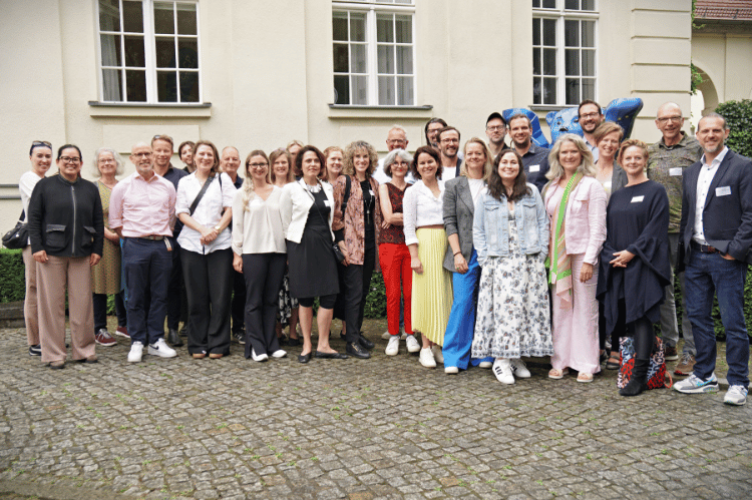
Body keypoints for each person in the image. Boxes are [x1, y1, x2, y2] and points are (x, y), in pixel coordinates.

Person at [674, 113, 752, 406]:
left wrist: (735, 250)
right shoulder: (692, 171)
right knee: (698, 319)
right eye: (705, 131)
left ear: (726, 133)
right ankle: (704, 376)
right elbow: (688, 215)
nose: (710, 135)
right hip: (695, 256)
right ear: (697, 134)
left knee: (733, 322)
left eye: (715, 130)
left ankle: (738, 382)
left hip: (726, 257)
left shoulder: (743, 167)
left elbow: (750, 214)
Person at [597, 139, 671, 396]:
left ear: (645, 160)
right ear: (621, 162)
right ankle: (625, 367)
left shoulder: (655, 191)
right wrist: (612, 256)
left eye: (637, 158)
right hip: (617, 265)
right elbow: (606, 229)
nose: (632, 162)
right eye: (628, 158)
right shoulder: (616, 195)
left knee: (641, 317)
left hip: (643, 264)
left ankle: (639, 376)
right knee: (620, 317)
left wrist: (632, 252)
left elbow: (656, 229)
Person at [472, 149, 552, 384]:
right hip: (500, 262)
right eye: (504, 162)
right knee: (504, 311)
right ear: (497, 166)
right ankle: (501, 360)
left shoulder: (531, 192)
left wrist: (542, 253)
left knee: (524, 309)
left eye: (513, 162)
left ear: (520, 167)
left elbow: (542, 222)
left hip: (528, 260)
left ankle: (515, 356)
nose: (509, 166)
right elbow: (478, 230)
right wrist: (485, 259)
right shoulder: (487, 195)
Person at [27, 144, 104, 369]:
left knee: (82, 304)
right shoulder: (44, 186)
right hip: (50, 253)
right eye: (66, 158)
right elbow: (34, 218)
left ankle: (84, 349)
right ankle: (54, 354)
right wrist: (37, 247)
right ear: (59, 162)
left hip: (82, 252)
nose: (70, 162)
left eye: (75, 159)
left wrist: (97, 248)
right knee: (52, 305)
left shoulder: (90, 188)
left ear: (80, 163)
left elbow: (98, 221)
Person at [543, 134, 607, 383]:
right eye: (563, 152)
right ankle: (560, 361)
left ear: (582, 154)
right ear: (557, 157)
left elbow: (598, 227)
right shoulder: (551, 186)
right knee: (561, 309)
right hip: (558, 256)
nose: (568, 156)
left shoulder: (592, 185)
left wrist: (590, 260)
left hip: (582, 256)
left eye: (573, 152)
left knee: (585, 310)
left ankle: (587, 363)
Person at [647, 102, 703, 375]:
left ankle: (690, 351)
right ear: (657, 124)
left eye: (674, 118)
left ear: (682, 121)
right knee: (664, 290)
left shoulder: (696, 149)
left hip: (688, 233)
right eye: (664, 119)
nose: (669, 123)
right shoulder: (650, 152)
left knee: (690, 291)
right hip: (658, 233)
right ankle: (670, 342)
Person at [110, 143, 178, 363]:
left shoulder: (167, 186)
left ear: (153, 156)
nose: (144, 158)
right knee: (135, 295)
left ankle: (156, 340)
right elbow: (115, 221)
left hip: (161, 245)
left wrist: (157, 235)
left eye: (147, 153)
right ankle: (138, 341)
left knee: (160, 294)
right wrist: (135, 237)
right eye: (139, 154)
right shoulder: (123, 187)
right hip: (134, 245)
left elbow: (171, 217)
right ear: (132, 159)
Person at [280, 145, 346, 363]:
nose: (313, 164)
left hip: (325, 245)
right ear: (300, 165)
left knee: (329, 293)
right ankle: (307, 344)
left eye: (316, 161)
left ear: (321, 164)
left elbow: (330, 219)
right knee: (305, 296)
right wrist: (289, 251)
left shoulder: (327, 188)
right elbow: (285, 222)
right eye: (308, 161)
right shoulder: (291, 190)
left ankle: (323, 344)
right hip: (301, 246)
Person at [176, 140, 236, 359]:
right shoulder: (184, 182)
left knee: (220, 297)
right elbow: (181, 212)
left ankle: (219, 343)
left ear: (215, 158)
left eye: (209, 154)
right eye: (201, 154)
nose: (205, 158)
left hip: (220, 245)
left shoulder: (223, 180)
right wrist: (202, 229)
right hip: (191, 244)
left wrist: (216, 230)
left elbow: (231, 208)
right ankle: (197, 343)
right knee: (196, 297)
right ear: (193, 156)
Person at [442, 138, 495, 374]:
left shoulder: (495, 184)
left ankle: (484, 352)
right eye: (469, 153)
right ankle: (454, 355)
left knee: (487, 303)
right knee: (462, 302)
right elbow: (449, 221)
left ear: (485, 156)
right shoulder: (454, 185)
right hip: (464, 252)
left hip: (492, 252)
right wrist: (457, 254)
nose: (474, 157)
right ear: (465, 157)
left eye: (478, 153)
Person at [232, 150, 287, 361]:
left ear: (268, 167)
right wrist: (237, 254)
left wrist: (288, 252)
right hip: (253, 252)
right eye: (254, 164)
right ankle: (256, 346)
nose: (258, 168)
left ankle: (271, 344)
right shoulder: (241, 194)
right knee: (254, 300)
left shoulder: (279, 193)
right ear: (248, 168)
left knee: (271, 300)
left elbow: (285, 222)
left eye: (262, 163)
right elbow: (237, 226)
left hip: (277, 252)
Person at [403, 146, 453, 368]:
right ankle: (425, 346)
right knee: (425, 296)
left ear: (437, 163)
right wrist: (414, 255)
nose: (427, 166)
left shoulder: (447, 187)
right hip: (424, 244)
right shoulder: (413, 191)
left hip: (445, 242)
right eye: (422, 163)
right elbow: (408, 226)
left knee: (443, 294)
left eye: (430, 161)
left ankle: (437, 343)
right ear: (416, 167)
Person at [333, 140, 382, 360]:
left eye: (365, 157)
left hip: (370, 245)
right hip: (352, 245)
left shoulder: (374, 183)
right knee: (353, 294)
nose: (361, 161)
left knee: (362, 293)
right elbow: (335, 216)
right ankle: (350, 341)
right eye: (357, 157)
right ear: (351, 160)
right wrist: (341, 242)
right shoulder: (344, 182)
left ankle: (356, 332)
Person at [592, 121, 628, 369]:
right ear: (596, 141)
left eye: (614, 140)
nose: (609, 144)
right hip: (593, 240)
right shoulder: (586, 171)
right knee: (596, 296)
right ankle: (597, 345)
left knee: (618, 296)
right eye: (605, 139)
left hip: (617, 239)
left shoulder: (623, 172)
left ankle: (617, 347)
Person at [378, 148, 418, 356]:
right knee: (393, 292)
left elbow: (395, 217)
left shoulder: (414, 187)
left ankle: (410, 333)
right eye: (395, 163)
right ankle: (394, 334)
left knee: (411, 291)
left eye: (403, 162)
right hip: (389, 244)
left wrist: (395, 216)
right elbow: (388, 215)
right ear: (389, 166)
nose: (399, 166)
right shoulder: (384, 187)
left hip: (411, 243)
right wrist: (404, 216)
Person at [152, 134, 188, 347]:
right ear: (152, 151)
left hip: (176, 240)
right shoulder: (144, 175)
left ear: (171, 152)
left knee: (174, 286)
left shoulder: (182, 177)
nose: (162, 154)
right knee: (153, 287)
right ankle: (154, 329)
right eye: (159, 150)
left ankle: (173, 328)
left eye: (166, 150)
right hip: (151, 240)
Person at [91, 147, 128, 348]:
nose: (107, 163)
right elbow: (91, 217)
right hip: (101, 241)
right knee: (100, 284)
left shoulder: (125, 186)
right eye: (103, 160)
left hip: (124, 240)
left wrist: (121, 235)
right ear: (97, 165)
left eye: (110, 160)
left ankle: (123, 325)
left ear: (117, 164)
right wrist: (110, 234)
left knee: (123, 282)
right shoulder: (93, 188)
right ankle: (99, 328)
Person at [19, 141, 52, 357]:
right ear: (31, 157)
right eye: (39, 155)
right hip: (34, 243)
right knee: (34, 290)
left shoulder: (46, 180)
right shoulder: (28, 178)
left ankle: (49, 337)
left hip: (50, 243)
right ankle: (35, 341)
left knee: (49, 291)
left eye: (48, 156)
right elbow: (48, 203)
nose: (44, 160)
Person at [269, 148, 300, 346]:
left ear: (289, 165)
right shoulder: (266, 187)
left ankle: (294, 331)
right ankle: (277, 329)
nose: (281, 166)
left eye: (284, 162)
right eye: (277, 162)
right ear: (272, 165)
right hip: (272, 246)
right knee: (275, 289)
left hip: (293, 244)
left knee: (295, 290)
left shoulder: (296, 187)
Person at [221, 146, 246, 345]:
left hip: (240, 244)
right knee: (220, 289)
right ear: (221, 161)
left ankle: (238, 327)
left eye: (234, 159)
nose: (230, 162)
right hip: (218, 243)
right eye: (227, 158)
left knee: (241, 289)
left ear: (239, 162)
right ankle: (220, 330)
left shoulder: (245, 185)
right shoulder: (214, 184)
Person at [324, 146, 348, 340]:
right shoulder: (319, 183)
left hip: (343, 238)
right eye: (333, 159)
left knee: (346, 284)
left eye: (340, 159)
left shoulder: (347, 183)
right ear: (325, 160)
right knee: (328, 286)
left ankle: (346, 328)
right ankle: (325, 329)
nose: (336, 163)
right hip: (324, 241)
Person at [508, 113, 550, 192]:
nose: (520, 132)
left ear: (530, 130)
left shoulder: (547, 156)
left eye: (524, 128)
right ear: (509, 133)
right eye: (515, 129)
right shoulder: (505, 158)